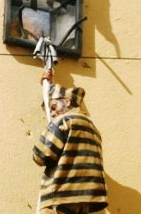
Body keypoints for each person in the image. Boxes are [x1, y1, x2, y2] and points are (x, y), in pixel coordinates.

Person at [32, 73, 108, 214]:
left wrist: (48, 131)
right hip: (88, 201)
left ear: (66, 102)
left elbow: (41, 155)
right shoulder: (93, 128)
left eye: (53, 107)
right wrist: (47, 84)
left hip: (60, 198)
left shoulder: (63, 121)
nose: (53, 113)